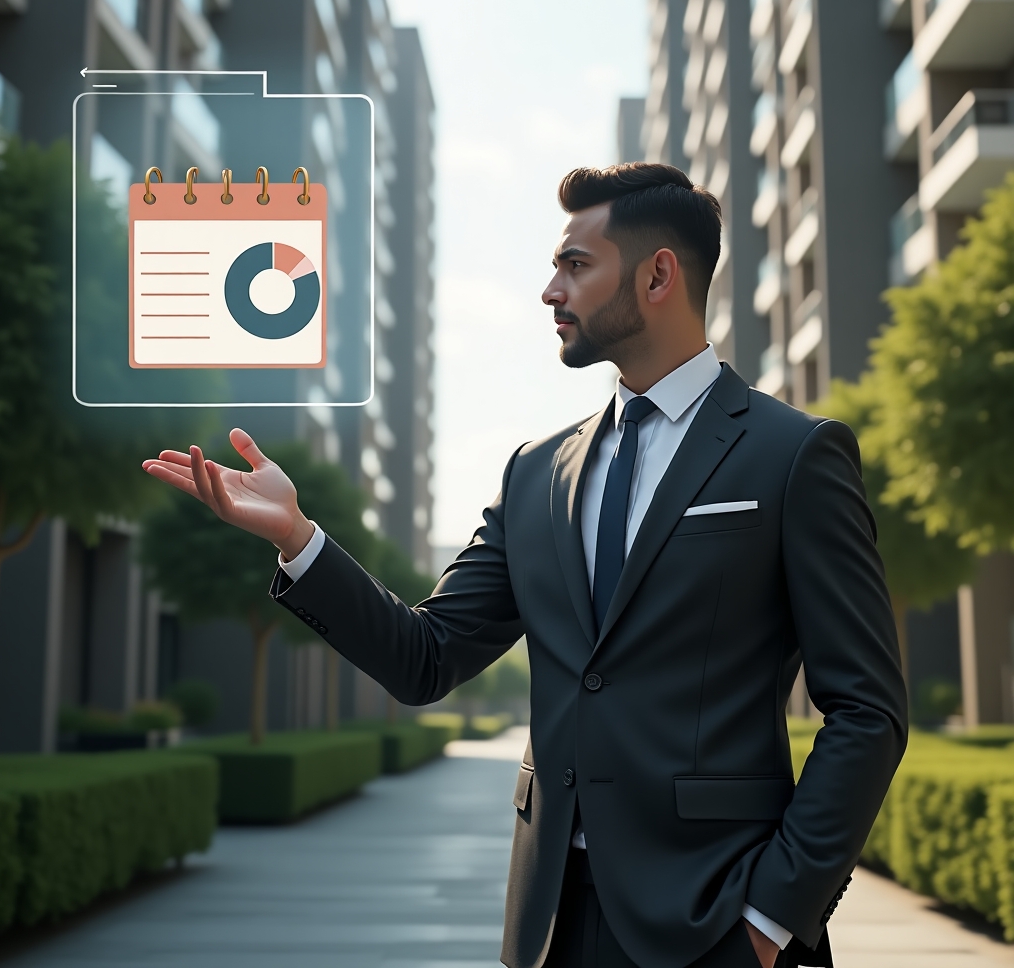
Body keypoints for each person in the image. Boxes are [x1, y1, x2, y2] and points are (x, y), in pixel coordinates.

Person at [144, 163, 907, 968]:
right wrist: (300, 540)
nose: (551, 291)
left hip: (717, 921)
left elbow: (866, 711)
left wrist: (772, 916)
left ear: (657, 275)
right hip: (547, 927)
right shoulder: (537, 473)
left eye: (576, 265)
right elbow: (425, 657)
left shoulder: (794, 455)